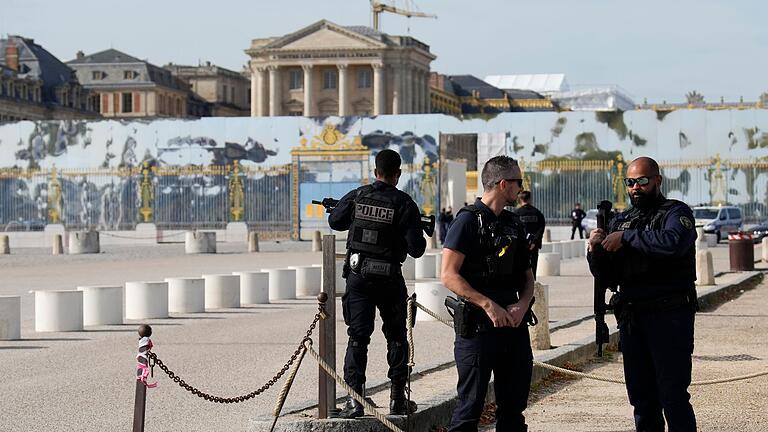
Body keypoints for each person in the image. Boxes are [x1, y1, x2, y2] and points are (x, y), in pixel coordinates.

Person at [587, 156, 698, 432]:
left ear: (657, 181)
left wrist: (627, 238)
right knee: (642, 399)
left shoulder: (675, 213)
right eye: (631, 182)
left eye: (643, 181)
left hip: (669, 317)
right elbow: (608, 276)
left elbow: (673, 243)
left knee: (673, 396)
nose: (636, 187)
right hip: (633, 318)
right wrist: (595, 250)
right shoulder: (622, 220)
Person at [327, 149, 426, 418]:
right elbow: (417, 249)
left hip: (359, 278)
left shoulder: (358, 195)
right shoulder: (405, 203)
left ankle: (354, 401)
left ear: (375, 172)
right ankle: (397, 400)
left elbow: (335, 221)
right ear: (398, 174)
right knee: (396, 338)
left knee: (358, 338)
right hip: (390, 280)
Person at [441, 155, 535, 432]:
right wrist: (487, 304)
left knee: (513, 410)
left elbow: (528, 278)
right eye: (518, 182)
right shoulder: (467, 222)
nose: (521, 189)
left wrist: (522, 304)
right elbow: (448, 275)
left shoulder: (514, 223)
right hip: (479, 329)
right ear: (504, 184)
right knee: (469, 409)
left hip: (513, 329)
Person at [512, 190, 546, 278]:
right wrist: (534, 242)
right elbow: (541, 229)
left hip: (521, 246)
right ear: (530, 199)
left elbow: (514, 230)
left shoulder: (516, 214)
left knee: (520, 268)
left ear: (520, 199)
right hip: (534, 246)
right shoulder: (538, 213)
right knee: (533, 267)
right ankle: (532, 285)